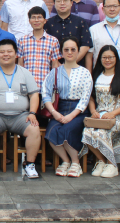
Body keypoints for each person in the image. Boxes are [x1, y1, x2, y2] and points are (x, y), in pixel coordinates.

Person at [0, 40, 41, 179]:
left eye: (9, 51)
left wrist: (32, 113)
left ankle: (30, 164)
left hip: (21, 115)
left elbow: (34, 94)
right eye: (2, 52)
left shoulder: (25, 73)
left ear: (16, 54)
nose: (5, 54)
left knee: (34, 129)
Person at [42, 37, 93, 178]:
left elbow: (85, 98)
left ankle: (76, 162)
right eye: (66, 49)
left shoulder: (85, 73)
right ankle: (65, 161)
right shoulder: (55, 72)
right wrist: (54, 112)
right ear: (61, 52)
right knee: (52, 131)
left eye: (73, 49)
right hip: (59, 109)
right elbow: (45, 93)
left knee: (67, 130)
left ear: (78, 51)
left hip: (78, 111)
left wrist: (72, 115)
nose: (69, 52)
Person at [81, 45, 120, 178]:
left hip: (118, 116)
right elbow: (91, 98)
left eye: (110, 57)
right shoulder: (96, 76)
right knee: (87, 132)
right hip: (99, 116)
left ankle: (112, 164)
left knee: (102, 133)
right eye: (104, 57)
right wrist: (93, 111)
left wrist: (112, 114)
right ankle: (102, 161)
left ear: (116, 58)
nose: (107, 60)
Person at [17, 6, 62, 101]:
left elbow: (55, 66)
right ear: (29, 21)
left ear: (45, 20)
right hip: (27, 87)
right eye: (33, 17)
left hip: (45, 87)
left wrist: (54, 84)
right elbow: (20, 64)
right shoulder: (22, 40)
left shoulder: (53, 41)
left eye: (39, 17)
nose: (36, 20)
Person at [43, 0, 93, 71]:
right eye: (59, 1)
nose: (62, 3)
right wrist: (57, 64)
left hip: (77, 68)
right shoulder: (47, 23)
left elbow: (85, 46)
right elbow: (44, 46)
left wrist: (70, 64)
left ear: (71, 3)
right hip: (53, 68)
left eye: (65, 0)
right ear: (54, 4)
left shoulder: (81, 22)